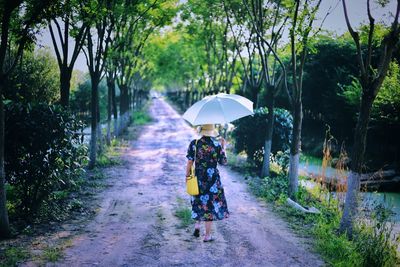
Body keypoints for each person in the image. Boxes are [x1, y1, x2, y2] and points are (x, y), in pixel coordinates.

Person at [185, 124, 229, 242]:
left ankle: (198, 225)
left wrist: (187, 176)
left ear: (202, 131)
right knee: (209, 205)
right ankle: (207, 235)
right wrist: (223, 148)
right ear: (212, 132)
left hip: (198, 178)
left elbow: (190, 162)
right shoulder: (216, 145)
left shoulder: (194, 143)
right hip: (213, 180)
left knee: (199, 200)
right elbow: (224, 162)